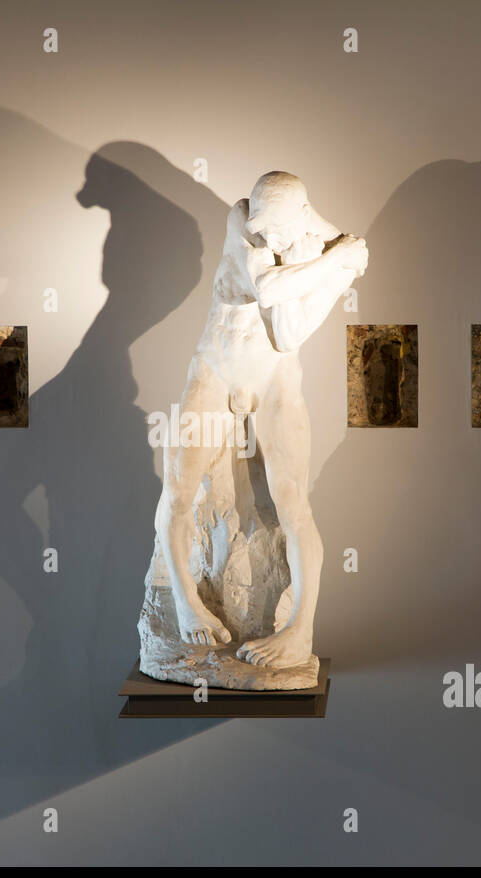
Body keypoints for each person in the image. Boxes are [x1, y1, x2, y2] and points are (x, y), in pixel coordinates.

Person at [153, 171, 368, 667]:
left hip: (274, 379)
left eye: (278, 230)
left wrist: (341, 256)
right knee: (179, 489)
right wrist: (338, 262)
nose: (267, 238)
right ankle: (187, 603)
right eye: (262, 228)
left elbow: (348, 253)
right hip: (218, 367)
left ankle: (299, 631)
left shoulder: (313, 227)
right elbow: (270, 287)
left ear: (300, 214)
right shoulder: (242, 218)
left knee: (296, 505)